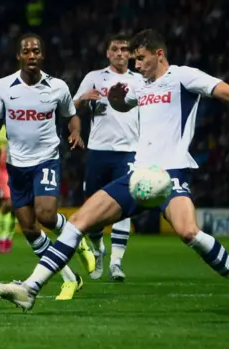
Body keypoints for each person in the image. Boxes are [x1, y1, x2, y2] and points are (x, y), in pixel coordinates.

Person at [0, 29, 229, 319]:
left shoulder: (183, 76)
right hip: (138, 174)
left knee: (188, 232)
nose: (135, 64)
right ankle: (30, 288)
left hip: (171, 173)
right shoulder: (141, 86)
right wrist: (116, 98)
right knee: (78, 222)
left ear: (159, 54)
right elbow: (122, 103)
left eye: (140, 58)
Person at [0, 33, 94, 301]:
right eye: (26, 51)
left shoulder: (57, 87)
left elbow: (71, 116)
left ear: (42, 56)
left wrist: (76, 133)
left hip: (46, 158)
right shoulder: (2, 86)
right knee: (30, 229)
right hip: (16, 164)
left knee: (46, 216)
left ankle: (76, 237)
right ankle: (71, 278)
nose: (31, 55)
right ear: (18, 56)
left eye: (36, 51)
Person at [73, 33, 143, 281]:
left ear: (131, 53)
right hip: (98, 150)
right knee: (93, 206)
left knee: (122, 206)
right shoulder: (94, 77)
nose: (120, 53)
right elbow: (71, 107)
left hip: (128, 150)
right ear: (108, 53)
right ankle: (98, 250)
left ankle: (116, 262)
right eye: (115, 49)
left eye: (125, 49)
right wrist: (82, 99)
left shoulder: (140, 80)